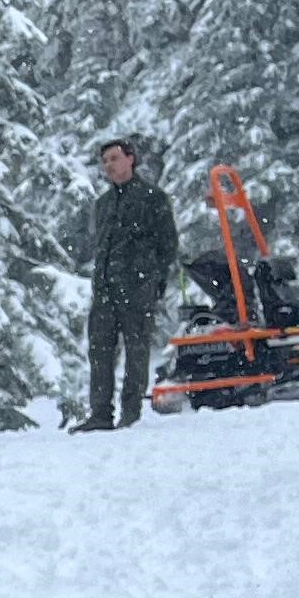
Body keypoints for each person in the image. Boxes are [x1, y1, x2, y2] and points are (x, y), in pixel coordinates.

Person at [83, 137, 175, 432]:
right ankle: (100, 413)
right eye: (105, 161)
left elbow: (167, 245)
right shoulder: (103, 204)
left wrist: (152, 281)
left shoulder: (153, 198)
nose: (109, 165)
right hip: (105, 289)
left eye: (114, 158)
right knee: (100, 351)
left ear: (130, 159)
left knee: (136, 351)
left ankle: (130, 413)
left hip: (137, 288)